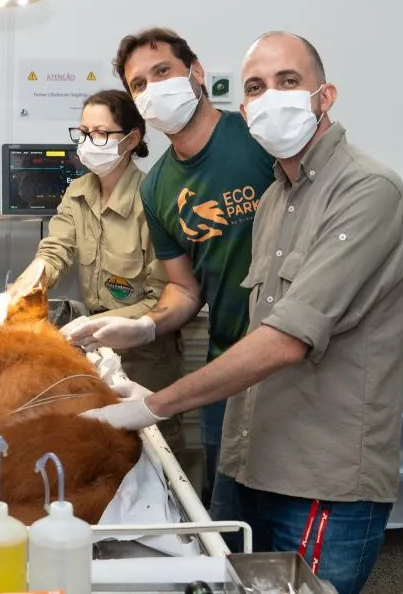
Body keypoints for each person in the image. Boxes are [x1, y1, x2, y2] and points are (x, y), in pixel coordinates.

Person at [80, 32, 403, 594]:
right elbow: (199, 295)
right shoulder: (272, 200)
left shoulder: (367, 191)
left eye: (289, 82)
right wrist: (143, 324)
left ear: (324, 95)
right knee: (230, 577)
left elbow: (288, 336)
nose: (272, 99)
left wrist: (155, 406)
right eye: (258, 87)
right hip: (248, 435)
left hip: (320, 464)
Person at [63, 28, 276, 511]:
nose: (152, 88)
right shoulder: (157, 188)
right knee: (230, 512)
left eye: (163, 72)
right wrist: (141, 326)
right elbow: (183, 289)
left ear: (196, 73)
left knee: (291, 519)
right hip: (228, 367)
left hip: (297, 368)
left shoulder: (258, 142)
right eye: (138, 84)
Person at [0, 89, 187, 462]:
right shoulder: (79, 191)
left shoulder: (154, 199)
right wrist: (15, 295)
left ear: (132, 139)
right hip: (94, 354)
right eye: (83, 133)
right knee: (97, 454)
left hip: (145, 358)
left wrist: (94, 324)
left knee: (153, 464)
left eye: (101, 134)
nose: (88, 144)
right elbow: (53, 253)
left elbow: (161, 297)